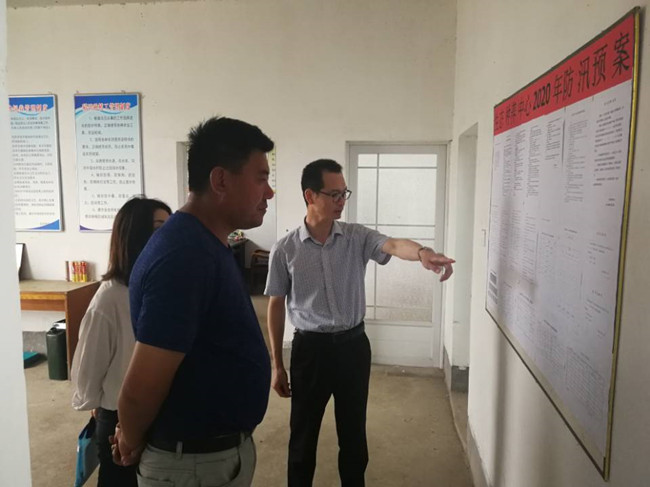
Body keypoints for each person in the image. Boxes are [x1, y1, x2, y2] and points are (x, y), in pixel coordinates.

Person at [265, 159, 455, 487]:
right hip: (310, 351)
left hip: (353, 348)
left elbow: (393, 245)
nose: (342, 201)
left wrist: (423, 252)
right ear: (310, 195)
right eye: (334, 194)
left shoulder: (356, 237)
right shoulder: (285, 249)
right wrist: (277, 365)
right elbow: (275, 304)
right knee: (303, 437)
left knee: (353, 435)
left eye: (344, 193)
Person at [112, 117, 274, 487]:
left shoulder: (205, 243)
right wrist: (130, 439)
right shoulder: (184, 256)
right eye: (261, 178)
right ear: (221, 181)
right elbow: (141, 386)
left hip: (208, 459)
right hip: (191, 466)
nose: (269, 192)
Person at [71, 196, 172, 487]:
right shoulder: (110, 297)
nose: (168, 237)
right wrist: (95, 405)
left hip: (162, 411)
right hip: (119, 415)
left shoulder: (166, 286)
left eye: (170, 227)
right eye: (158, 228)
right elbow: (89, 368)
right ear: (134, 236)